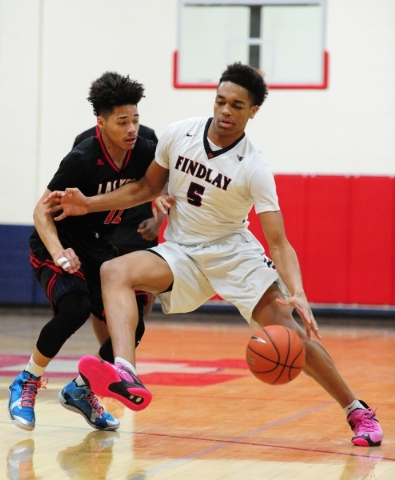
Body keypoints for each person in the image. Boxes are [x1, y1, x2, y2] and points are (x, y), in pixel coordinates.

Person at [44, 62, 384, 447]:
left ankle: (357, 411)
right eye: (221, 101)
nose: (225, 111)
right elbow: (145, 189)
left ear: (252, 111)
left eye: (237, 106)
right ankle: (125, 370)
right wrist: (89, 204)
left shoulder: (254, 167)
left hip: (233, 255)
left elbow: (279, 242)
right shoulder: (178, 134)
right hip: (183, 252)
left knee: (293, 339)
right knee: (114, 271)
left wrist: (298, 291)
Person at [8, 71, 157, 432]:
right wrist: (59, 253)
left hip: (95, 241)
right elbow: (41, 211)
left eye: (135, 119)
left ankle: (81, 390)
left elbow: (152, 186)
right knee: (74, 306)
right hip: (56, 239)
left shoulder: (145, 151)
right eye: (122, 122)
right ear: (101, 122)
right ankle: (27, 380)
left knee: (132, 319)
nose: (131, 128)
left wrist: (161, 200)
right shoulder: (83, 157)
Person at [72, 125, 163, 346]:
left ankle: (119, 360)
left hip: (138, 229)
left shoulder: (147, 138)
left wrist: (158, 219)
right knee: (102, 302)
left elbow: (165, 179)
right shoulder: (85, 141)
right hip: (100, 233)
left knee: (141, 306)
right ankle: (113, 362)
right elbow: (74, 192)